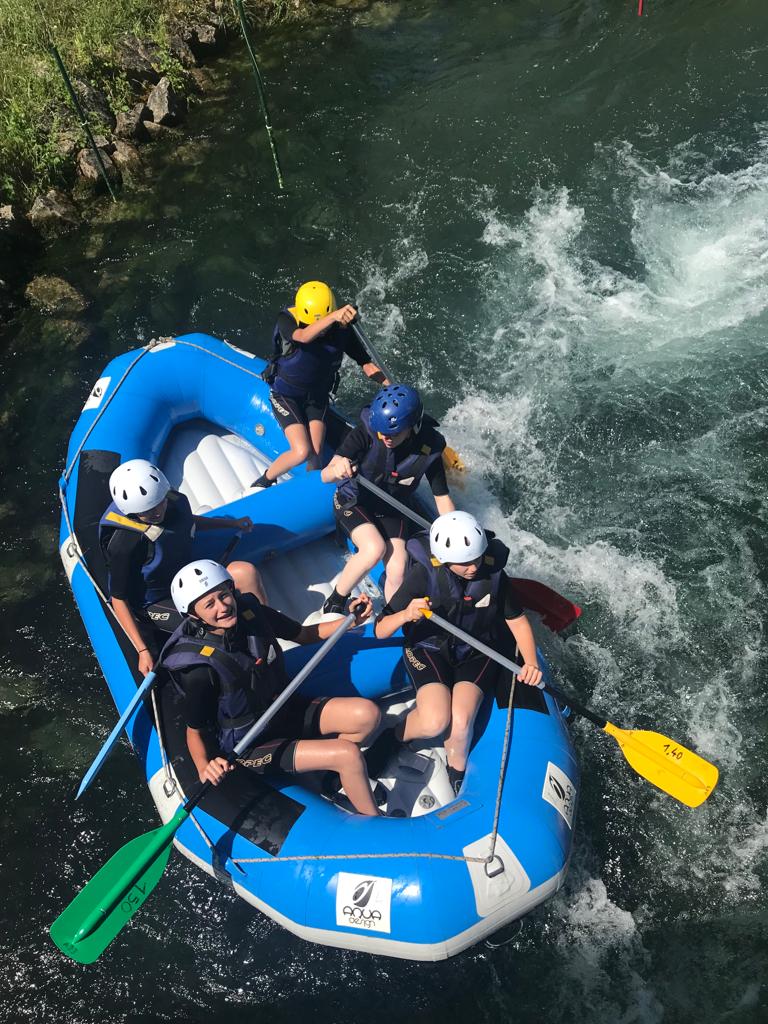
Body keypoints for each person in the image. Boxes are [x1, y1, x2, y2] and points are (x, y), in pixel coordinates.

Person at [161, 559, 381, 817]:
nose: (223, 607)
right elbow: (194, 731)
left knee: (368, 715)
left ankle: (329, 778)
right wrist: (203, 766)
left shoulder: (251, 613)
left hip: (284, 710)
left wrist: (352, 620)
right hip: (251, 744)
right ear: (193, 615)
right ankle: (375, 822)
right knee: (348, 754)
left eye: (224, 595)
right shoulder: (199, 671)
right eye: (209, 604)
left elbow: (303, 634)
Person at [374, 511, 543, 796]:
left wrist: (531, 663)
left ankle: (457, 775)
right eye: (464, 563)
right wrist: (406, 613)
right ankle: (391, 738)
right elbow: (381, 629)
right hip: (429, 649)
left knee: (462, 721)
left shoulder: (494, 575)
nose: (473, 567)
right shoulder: (423, 575)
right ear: (443, 558)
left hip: (476, 651)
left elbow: (517, 621)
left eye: (476, 557)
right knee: (434, 720)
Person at [100, 459, 266, 678]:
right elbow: (118, 599)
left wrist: (230, 524)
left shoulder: (172, 500)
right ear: (131, 511)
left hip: (186, 580)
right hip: (154, 601)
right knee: (209, 625)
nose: (157, 512)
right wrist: (142, 650)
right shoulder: (125, 543)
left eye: (159, 503)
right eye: (147, 511)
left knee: (245, 572)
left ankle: (266, 632)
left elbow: (187, 522)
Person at [320, 384, 455, 612]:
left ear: (413, 426)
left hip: (392, 509)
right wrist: (337, 468)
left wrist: (455, 530)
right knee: (374, 549)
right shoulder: (367, 432)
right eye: (382, 433)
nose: (386, 438)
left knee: (399, 567)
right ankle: (335, 600)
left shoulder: (429, 448)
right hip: (353, 500)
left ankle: (392, 616)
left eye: (394, 434)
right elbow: (325, 475)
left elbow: (442, 499)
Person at [252, 281, 388, 488]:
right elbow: (303, 337)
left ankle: (307, 493)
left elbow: (367, 365)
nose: (322, 332)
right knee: (302, 452)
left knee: (315, 457)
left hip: (317, 398)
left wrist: (392, 387)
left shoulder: (343, 332)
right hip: (285, 395)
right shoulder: (287, 320)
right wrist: (333, 316)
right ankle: (265, 479)